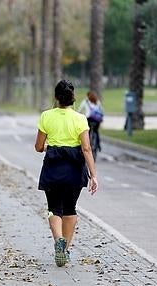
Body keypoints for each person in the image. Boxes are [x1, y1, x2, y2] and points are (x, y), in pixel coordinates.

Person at [35, 79, 98, 267]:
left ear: (56, 97)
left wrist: (50, 147)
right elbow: (86, 149)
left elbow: (38, 146)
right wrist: (93, 175)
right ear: (73, 98)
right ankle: (66, 250)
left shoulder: (46, 116)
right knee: (70, 209)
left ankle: (58, 241)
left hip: (53, 167)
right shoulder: (80, 119)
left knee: (54, 208)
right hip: (74, 170)